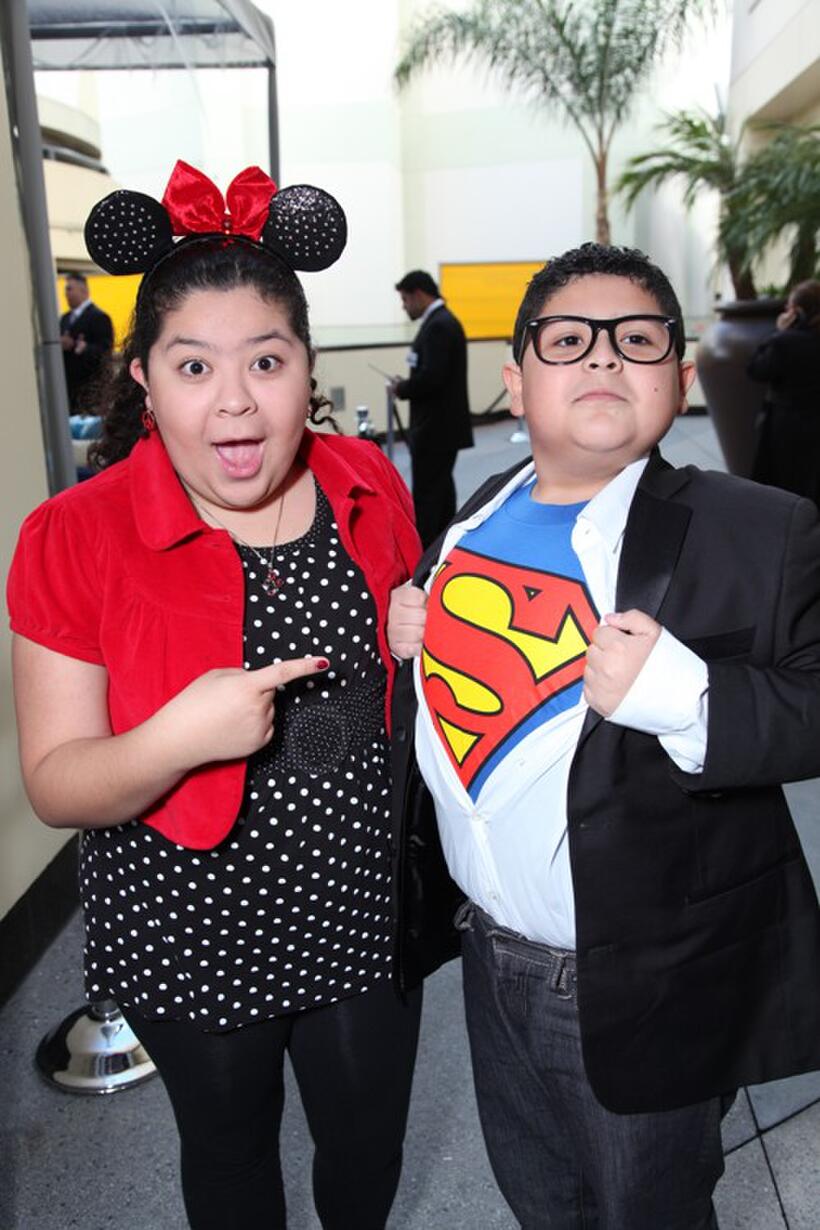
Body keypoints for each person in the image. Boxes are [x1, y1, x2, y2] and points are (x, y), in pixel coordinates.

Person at [8, 162, 423, 1230]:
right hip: (190, 913)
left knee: (366, 1143)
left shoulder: (367, 484)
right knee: (231, 1155)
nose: (234, 399)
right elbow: (58, 783)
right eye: (193, 364)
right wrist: (175, 738)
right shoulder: (75, 534)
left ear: (307, 368)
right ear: (143, 374)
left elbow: (403, 660)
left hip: (362, 896)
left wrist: (412, 640)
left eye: (266, 361)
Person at [387, 243, 820, 1230]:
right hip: (487, 957)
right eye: (566, 339)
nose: (601, 358)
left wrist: (693, 696)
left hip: (638, 976)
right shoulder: (473, 514)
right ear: (515, 381)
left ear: (676, 376)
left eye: (635, 339)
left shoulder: (759, 527)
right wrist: (409, 628)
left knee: (646, 1209)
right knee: (541, 1196)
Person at [391, 270, 473, 546]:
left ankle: (425, 553)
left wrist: (402, 388)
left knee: (428, 496)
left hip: (435, 428)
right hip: (442, 427)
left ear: (418, 294)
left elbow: (432, 378)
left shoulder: (439, 326)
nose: (404, 307)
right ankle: (444, 543)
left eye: (405, 300)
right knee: (441, 490)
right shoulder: (442, 322)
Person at [748, 279, 820, 505]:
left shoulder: (785, 343)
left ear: (797, 312)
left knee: (786, 480)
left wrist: (777, 333)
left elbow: (756, 369)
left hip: (787, 426)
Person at [59, 271, 114, 410]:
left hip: (90, 390)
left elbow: (106, 350)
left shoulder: (99, 317)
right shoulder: (65, 319)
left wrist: (84, 348)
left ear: (83, 290)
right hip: (69, 390)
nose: (66, 293)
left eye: (69, 289)